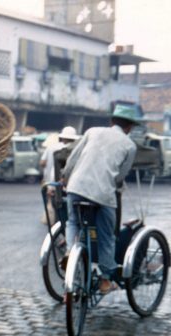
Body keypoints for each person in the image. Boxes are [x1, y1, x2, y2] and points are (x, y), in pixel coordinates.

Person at [62, 104, 139, 294]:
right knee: (107, 237)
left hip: (76, 186)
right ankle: (105, 280)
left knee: (73, 222)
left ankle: (70, 251)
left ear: (111, 122)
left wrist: (65, 178)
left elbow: (73, 159)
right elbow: (120, 176)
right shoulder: (129, 145)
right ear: (129, 127)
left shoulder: (92, 131)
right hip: (103, 194)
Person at [39, 126, 79, 224]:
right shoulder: (77, 149)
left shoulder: (52, 147)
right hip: (71, 186)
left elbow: (43, 163)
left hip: (53, 184)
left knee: (57, 208)